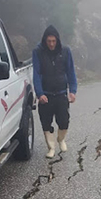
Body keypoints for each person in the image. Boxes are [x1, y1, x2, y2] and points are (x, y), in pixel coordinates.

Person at [32, 25, 77, 158]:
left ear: (57, 40)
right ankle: (51, 147)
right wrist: (40, 94)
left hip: (61, 93)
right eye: (49, 41)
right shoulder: (38, 52)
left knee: (64, 121)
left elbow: (71, 72)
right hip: (46, 94)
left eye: (54, 41)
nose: (51, 44)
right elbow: (36, 74)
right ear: (45, 41)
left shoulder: (65, 51)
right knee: (46, 123)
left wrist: (72, 91)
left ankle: (61, 139)